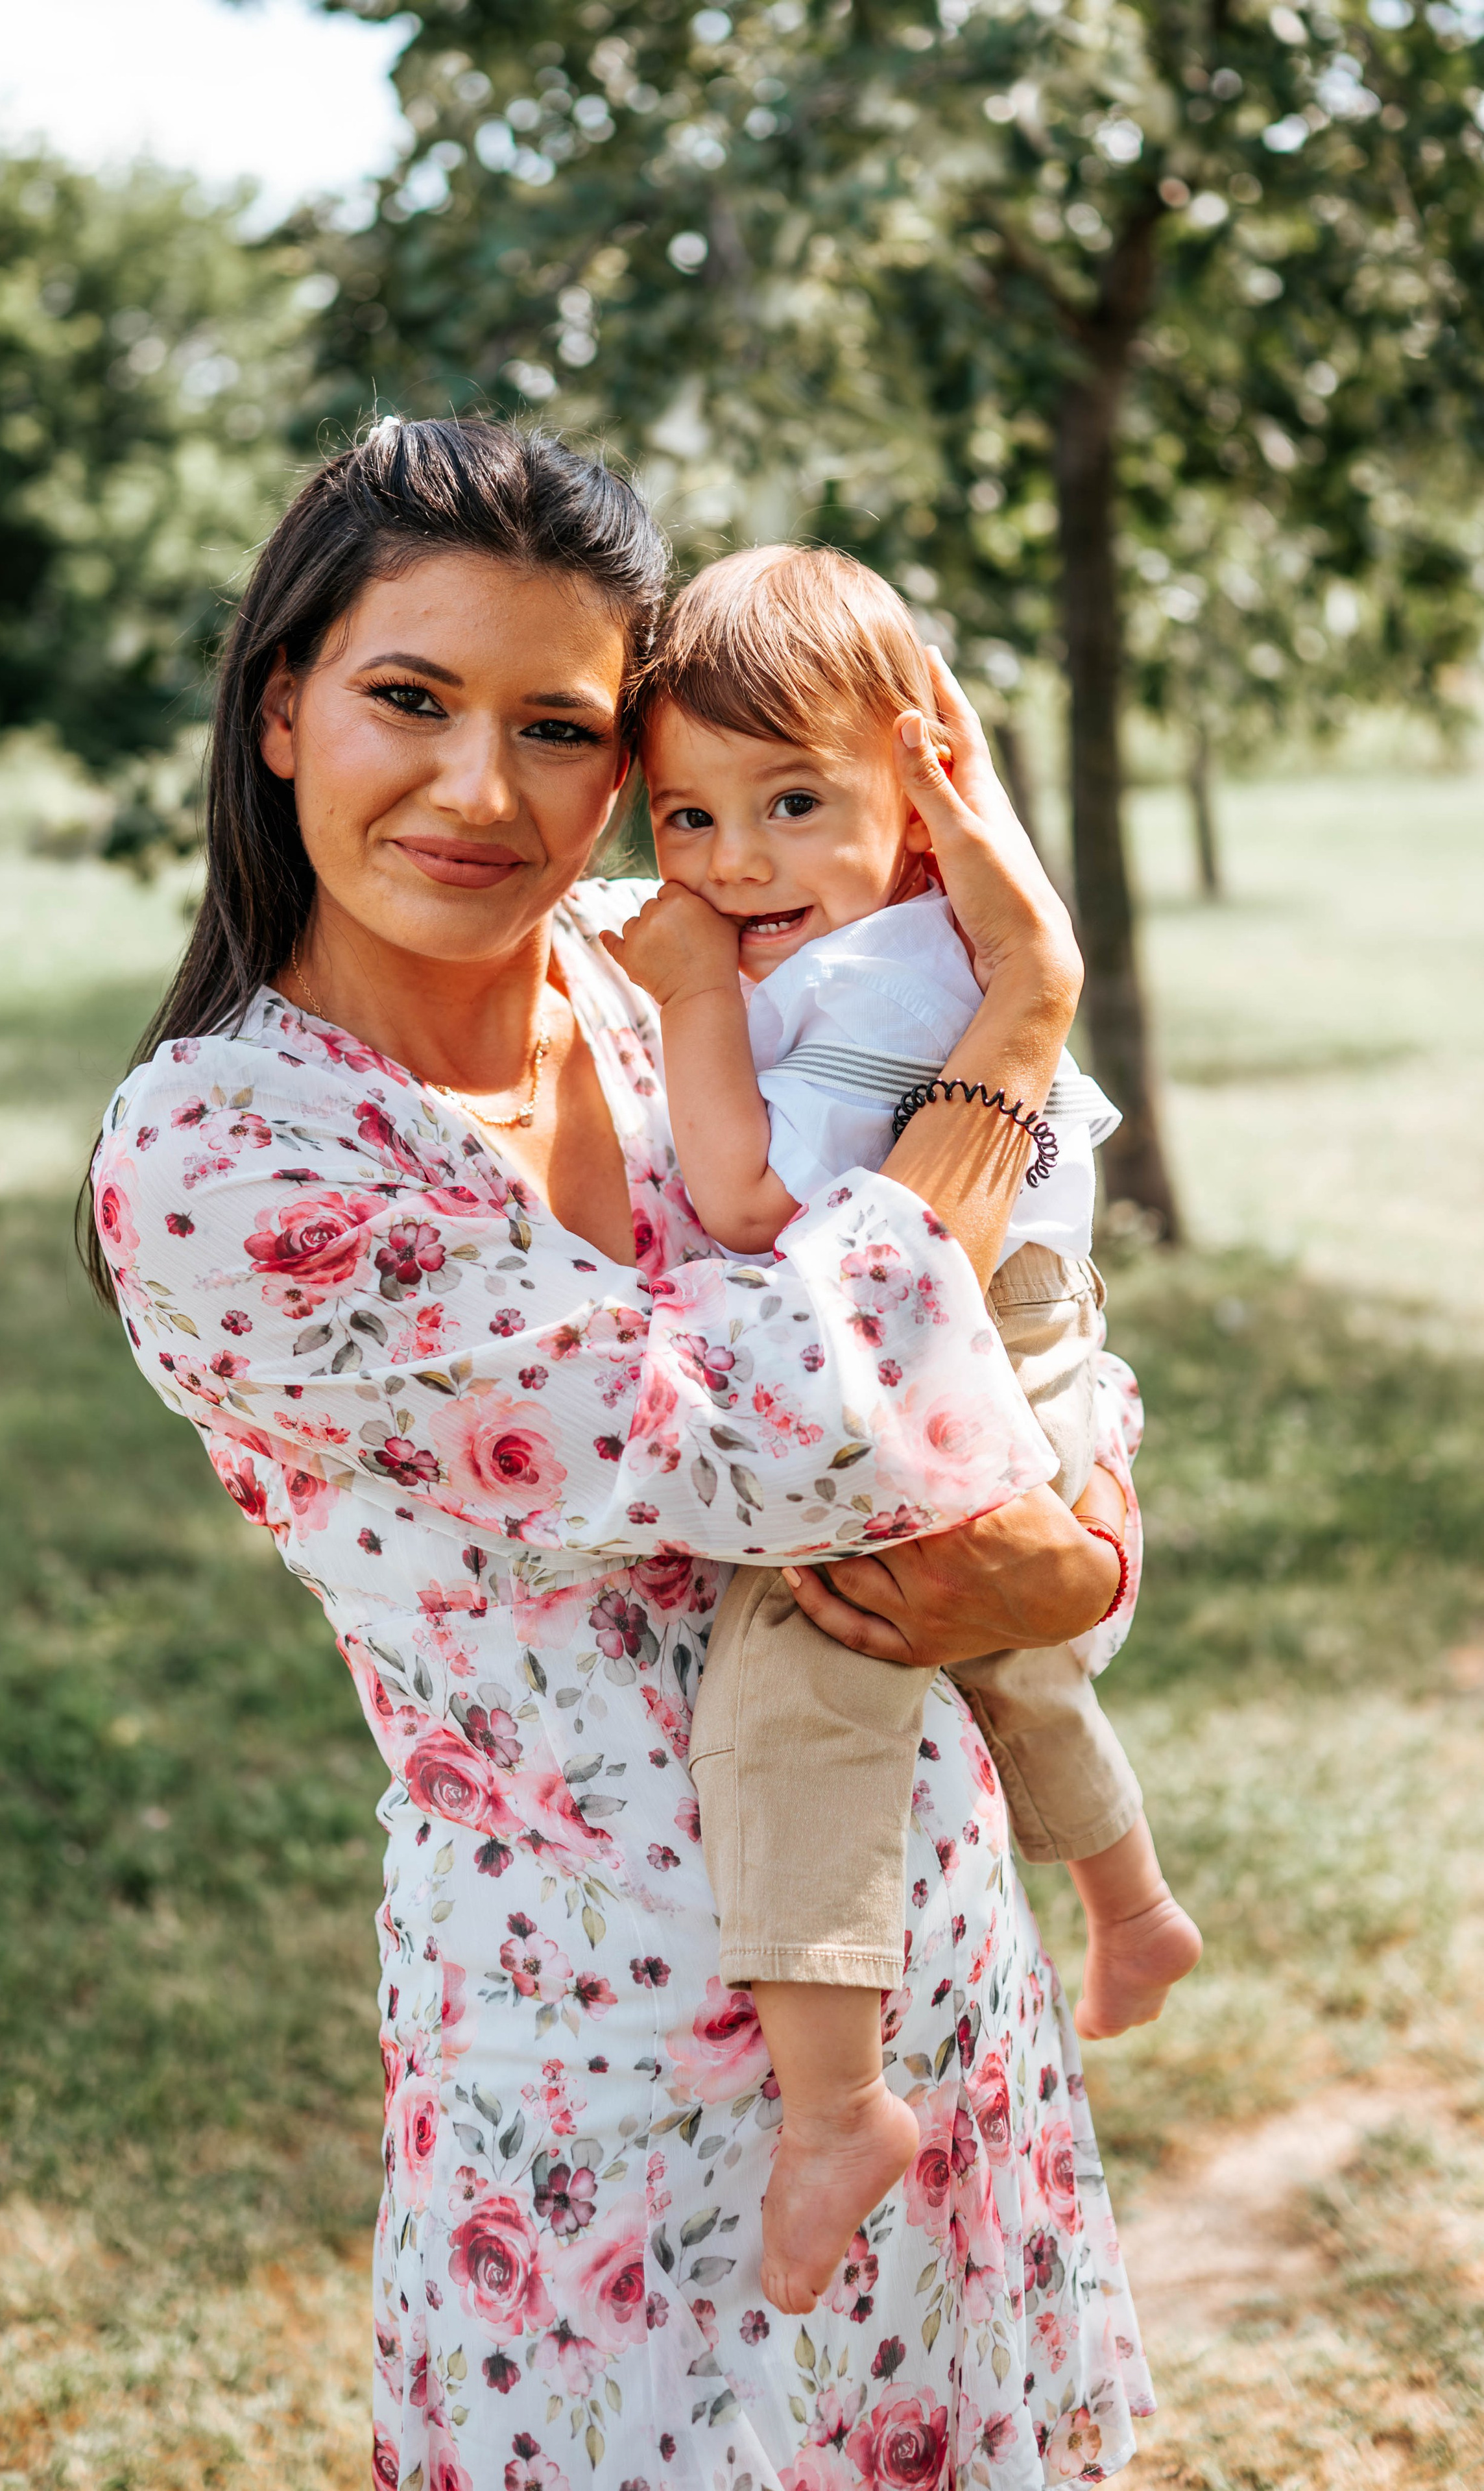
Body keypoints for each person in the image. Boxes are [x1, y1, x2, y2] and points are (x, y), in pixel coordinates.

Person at [85, 415, 1155, 2490]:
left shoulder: (684, 983)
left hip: (922, 1953)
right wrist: (1018, 1015)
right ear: (283, 704)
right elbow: (808, 1421)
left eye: (563, 729)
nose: (486, 792)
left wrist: (1085, 1556)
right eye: (412, 697)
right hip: (599, 2069)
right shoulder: (228, 1158)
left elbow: (1034, 1339)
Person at [603, 546, 1202, 2313]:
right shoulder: (901, 946)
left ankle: (840, 2109)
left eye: (794, 802)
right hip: (1013, 1343)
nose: (732, 866)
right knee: (1012, 1650)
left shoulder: (872, 989)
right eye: (688, 817)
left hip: (972, 1343)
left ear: (927, 797)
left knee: (797, 1687)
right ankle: (1132, 1897)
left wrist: (695, 995)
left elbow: (748, 1199)